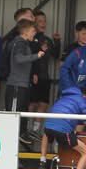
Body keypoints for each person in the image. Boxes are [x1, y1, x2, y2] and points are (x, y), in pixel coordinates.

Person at [39, 87, 86, 169]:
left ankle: (42, 161)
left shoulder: (63, 98)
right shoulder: (81, 99)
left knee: (46, 133)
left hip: (48, 125)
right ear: (84, 96)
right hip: (63, 129)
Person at [4, 20, 45, 143]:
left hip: (23, 84)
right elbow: (18, 59)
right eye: (33, 31)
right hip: (16, 85)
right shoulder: (19, 43)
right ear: (26, 32)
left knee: (22, 112)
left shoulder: (23, 43)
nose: (35, 33)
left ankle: (22, 133)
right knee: (14, 115)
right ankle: (12, 139)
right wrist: (36, 56)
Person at [28, 9, 61, 138]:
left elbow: (55, 56)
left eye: (44, 21)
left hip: (44, 76)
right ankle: (27, 128)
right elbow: (29, 57)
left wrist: (57, 41)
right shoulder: (31, 38)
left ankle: (35, 130)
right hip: (33, 75)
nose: (43, 23)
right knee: (32, 103)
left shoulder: (47, 39)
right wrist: (33, 73)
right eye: (39, 21)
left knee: (44, 103)